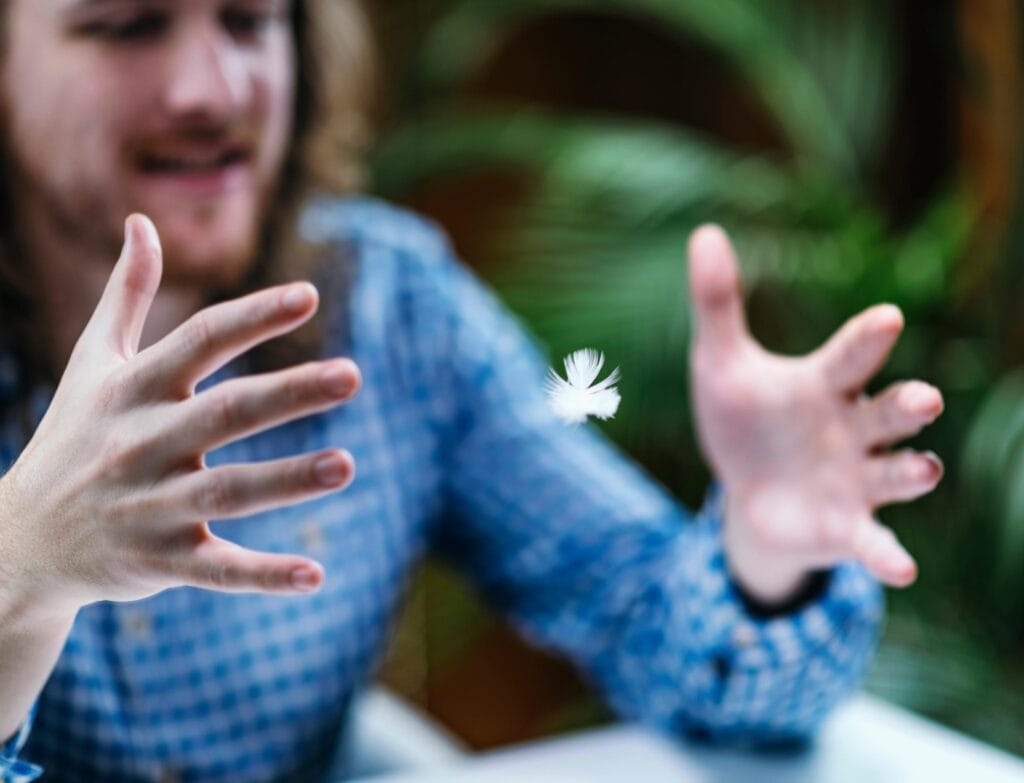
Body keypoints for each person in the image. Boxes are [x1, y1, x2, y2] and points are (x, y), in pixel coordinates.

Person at [0, 1, 945, 781]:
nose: (212, 89)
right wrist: (20, 568)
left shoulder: (396, 309)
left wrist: (767, 550)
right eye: (126, 26)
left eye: (250, 21)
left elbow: (683, 644)